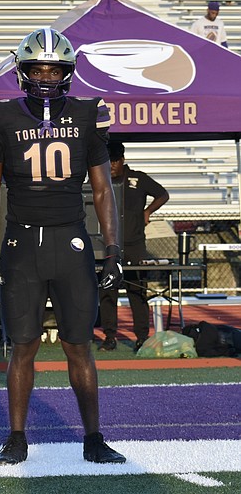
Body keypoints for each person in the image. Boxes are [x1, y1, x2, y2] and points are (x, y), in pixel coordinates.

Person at [0, 28, 126, 466]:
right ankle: (17, 436)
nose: (45, 76)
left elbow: (102, 191)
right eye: (38, 68)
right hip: (22, 241)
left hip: (70, 239)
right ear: (22, 72)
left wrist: (113, 249)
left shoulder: (87, 112)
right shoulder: (1, 115)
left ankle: (94, 437)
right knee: (21, 344)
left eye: (54, 69)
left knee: (79, 344)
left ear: (68, 73)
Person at [99, 141, 169, 353]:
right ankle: (109, 337)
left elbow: (163, 194)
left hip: (135, 245)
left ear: (122, 160)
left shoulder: (138, 179)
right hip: (107, 246)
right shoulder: (100, 180)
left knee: (137, 292)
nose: (111, 165)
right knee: (107, 293)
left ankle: (141, 337)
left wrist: (147, 212)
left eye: (114, 161)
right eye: (107, 161)